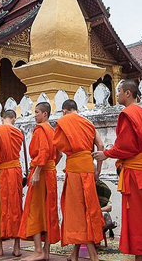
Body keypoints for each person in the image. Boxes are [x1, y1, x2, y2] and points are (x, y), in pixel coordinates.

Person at [94, 80, 142, 261]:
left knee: (137, 215)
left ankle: (140, 256)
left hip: (136, 173)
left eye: (119, 91)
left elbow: (126, 146)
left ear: (128, 93)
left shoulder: (127, 114)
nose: (116, 94)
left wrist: (106, 154)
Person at [54, 99, 103, 261]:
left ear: (65, 111)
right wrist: (98, 170)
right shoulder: (88, 123)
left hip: (75, 169)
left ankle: (93, 255)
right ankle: (74, 254)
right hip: (88, 168)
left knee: (78, 213)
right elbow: (100, 145)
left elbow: (59, 149)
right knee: (88, 209)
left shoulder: (64, 121)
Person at [19, 102, 60, 261]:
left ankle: (38, 250)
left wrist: (37, 171)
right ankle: (46, 251)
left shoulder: (41, 129)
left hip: (41, 173)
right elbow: (59, 154)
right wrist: (50, 167)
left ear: (45, 114)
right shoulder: (52, 130)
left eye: (37, 112)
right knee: (49, 210)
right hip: (50, 172)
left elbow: (43, 152)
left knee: (34, 209)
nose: (35, 115)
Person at [0, 108, 24, 257]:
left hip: (3, 172)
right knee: (16, 207)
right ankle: (17, 247)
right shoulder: (19, 133)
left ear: (2, 118)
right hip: (15, 172)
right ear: (14, 119)